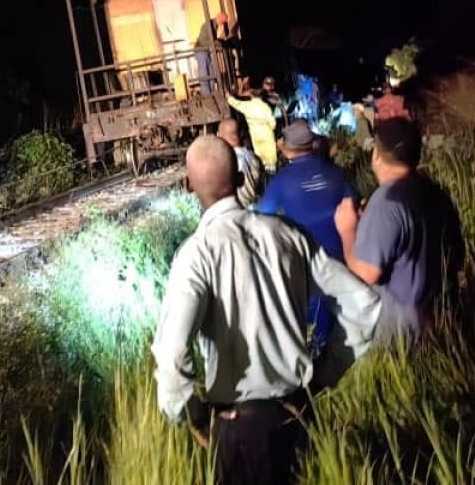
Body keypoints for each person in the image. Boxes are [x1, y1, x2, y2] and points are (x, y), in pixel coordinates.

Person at [151, 135, 382, 485]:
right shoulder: (289, 235)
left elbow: (171, 351)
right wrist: (326, 372)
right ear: (242, 180)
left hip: (236, 430)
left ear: (187, 186)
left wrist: (192, 415)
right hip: (299, 416)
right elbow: (363, 303)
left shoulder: (196, 256)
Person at [334, 118, 465, 345]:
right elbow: (457, 255)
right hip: (442, 321)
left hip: (400, 335)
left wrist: (347, 231)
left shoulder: (385, 203)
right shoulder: (435, 193)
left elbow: (365, 273)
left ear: (376, 154)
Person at [253, 120, 358, 391]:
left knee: (312, 322)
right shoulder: (336, 173)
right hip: (340, 257)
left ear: (286, 150)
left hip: (304, 263)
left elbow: (262, 217)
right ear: (312, 144)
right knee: (337, 316)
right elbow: (353, 203)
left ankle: (313, 379)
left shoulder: (280, 183)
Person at [226, 78, 278, 173]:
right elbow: (273, 123)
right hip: (266, 133)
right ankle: (272, 169)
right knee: (270, 154)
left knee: (258, 153)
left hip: (255, 133)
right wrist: (270, 129)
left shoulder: (248, 106)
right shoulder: (265, 106)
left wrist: (229, 97)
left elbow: (236, 104)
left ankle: (262, 170)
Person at [216, 118, 265, 207]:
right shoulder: (252, 156)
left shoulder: (229, 161)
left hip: (240, 209)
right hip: (255, 206)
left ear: (219, 136)